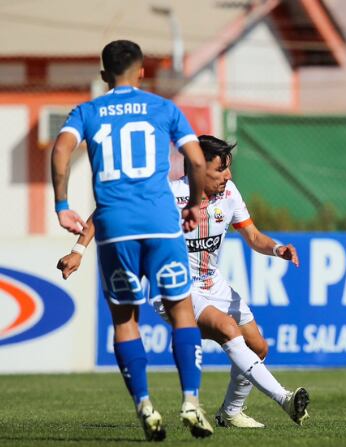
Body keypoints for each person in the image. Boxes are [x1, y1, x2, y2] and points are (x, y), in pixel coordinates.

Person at [57, 135, 310, 429]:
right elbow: (107, 210)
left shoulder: (229, 194)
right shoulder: (165, 194)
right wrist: (78, 251)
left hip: (212, 283)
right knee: (227, 328)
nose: (228, 176)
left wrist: (278, 248)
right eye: (220, 170)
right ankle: (285, 399)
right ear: (197, 169)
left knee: (258, 348)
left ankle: (230, 412)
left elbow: (253, 237)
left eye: (228, 169)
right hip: (174, 287)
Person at [50, 40, 213, 440]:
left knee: (125, 320)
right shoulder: (164, 108)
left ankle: (145, 405)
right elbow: (195, 160)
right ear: (142, 71)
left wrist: (62, 204)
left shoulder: (87, 111)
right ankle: (191, 402)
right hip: (161, 225)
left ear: (104, 75)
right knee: (182, 313)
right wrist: (194, 204)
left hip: (115, 228)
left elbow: (61, 149)